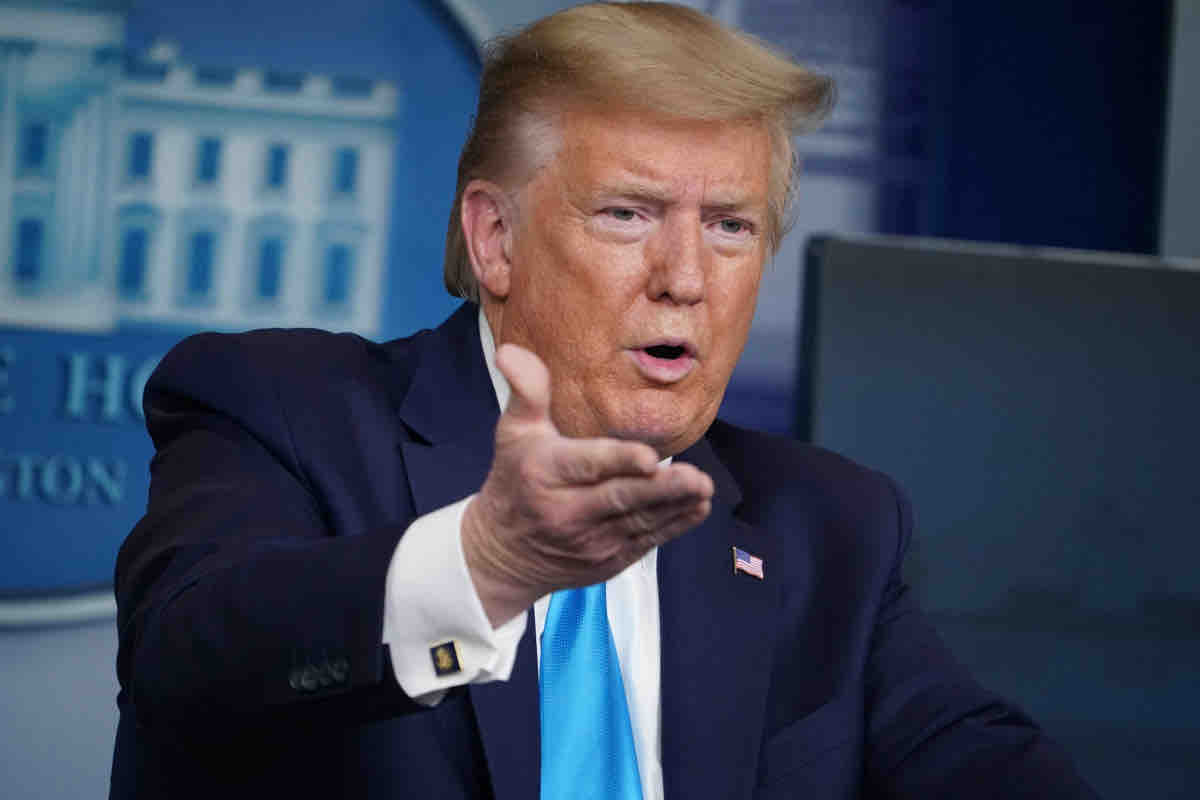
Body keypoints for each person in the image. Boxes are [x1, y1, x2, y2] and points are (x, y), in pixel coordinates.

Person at [110, 3, 1097, 798]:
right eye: (628, 214)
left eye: (730, 225)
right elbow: (187, 669)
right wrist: (483, 567)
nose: (686, 278)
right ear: (496, 239)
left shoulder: (830, 526)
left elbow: (981, 763)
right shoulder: (287, 412)